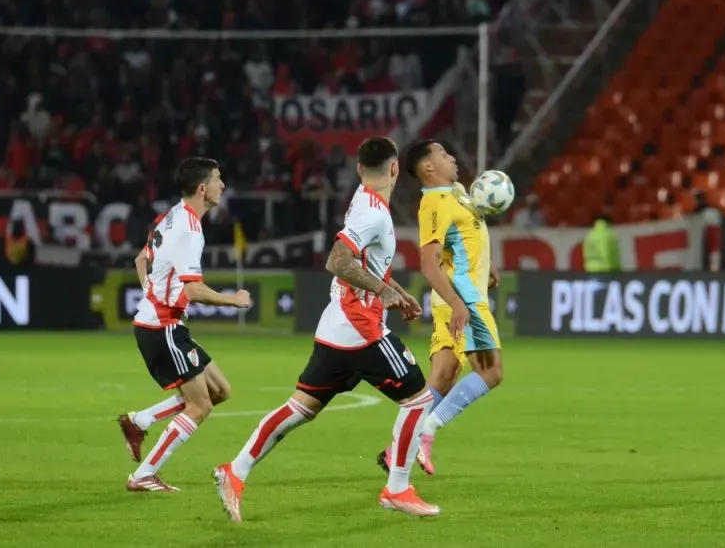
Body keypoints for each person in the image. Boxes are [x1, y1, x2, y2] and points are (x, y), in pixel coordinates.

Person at [212, 137, 440, 520]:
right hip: (361, 330)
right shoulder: (375, 214)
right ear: (396, 168)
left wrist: (397, 292)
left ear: (359, 170)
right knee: (419, 399)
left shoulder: (362, 199)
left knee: (300, 408)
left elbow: (362, 262)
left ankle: (235, 470)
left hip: (335, 327)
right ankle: (398, 488)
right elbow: (337, 260)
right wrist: (383, 290)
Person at [117, 157, 252, 493]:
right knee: (200, 405)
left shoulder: (169, 216)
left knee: (220, 391)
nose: (223, 185)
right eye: (219, 179)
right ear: (203, 188)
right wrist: (233, 300)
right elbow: (194, 290)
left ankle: (140, 421)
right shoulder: (190, 229)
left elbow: (140, 261)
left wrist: (151, 292)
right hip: (161, 328)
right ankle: (144, 475)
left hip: (162, 325)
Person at [374, 139, 503, 476]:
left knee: (444, 376)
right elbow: (428, 264)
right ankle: (426, 432)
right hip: (463, 300)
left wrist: (485, 265)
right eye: (444, 154)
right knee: (491, 373)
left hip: (464, 295)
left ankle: (395, 451)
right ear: (428, 167)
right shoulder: (433, 204)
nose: (453, 156)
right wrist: (459, 303)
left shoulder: (458, 190)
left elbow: (466, 236)